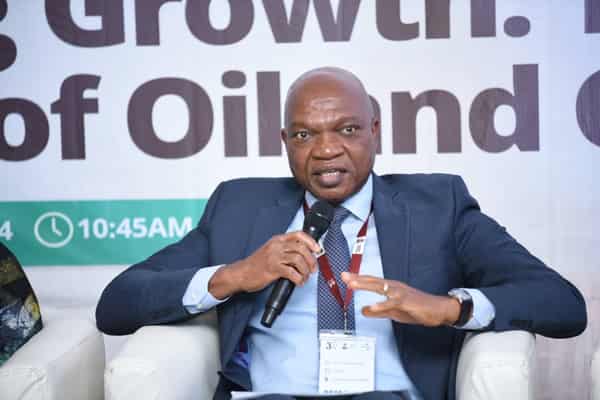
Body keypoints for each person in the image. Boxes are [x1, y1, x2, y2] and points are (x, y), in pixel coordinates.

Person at [96, 67, 587, 400]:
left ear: (375, 130)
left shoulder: (439, 205)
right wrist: (234, 275)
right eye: (304, 134)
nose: (326, 149)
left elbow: (562, 303)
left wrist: (448, 308)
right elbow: (116, 305)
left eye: (347, 130)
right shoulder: (239, 208)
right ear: (285, 142)